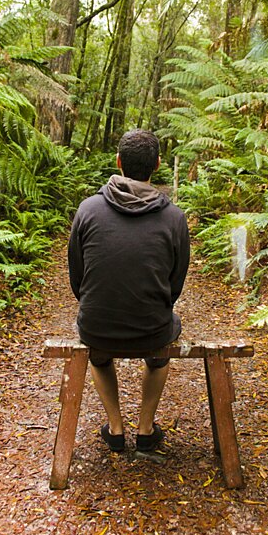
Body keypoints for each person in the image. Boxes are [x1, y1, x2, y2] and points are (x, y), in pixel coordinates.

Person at [67, 129, 190, 455]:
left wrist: (101, 303)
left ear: (118, 161)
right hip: (152, 328)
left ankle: (116, 427)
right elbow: (174, 286)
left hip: (97, 325)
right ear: (158, 164)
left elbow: (77, 279)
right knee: (163, 344)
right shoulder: (175, 218)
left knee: (99, 352)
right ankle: (146, 428)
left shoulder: (88, 210)